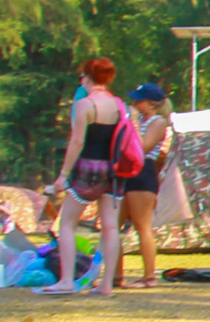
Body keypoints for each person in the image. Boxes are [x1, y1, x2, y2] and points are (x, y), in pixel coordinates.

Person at [45, 58, 127, 296]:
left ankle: (66, 280)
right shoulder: (119, 105)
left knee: (67, 224)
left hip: (88, 168)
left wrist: (63, 175)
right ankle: (106, 284)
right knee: (111, 227)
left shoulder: (85, 105)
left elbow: (78, 141)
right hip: (114, 169)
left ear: (88, 78)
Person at [116, 82, 175, 289]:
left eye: (139, 100)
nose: (134, 103)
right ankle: (115, 275)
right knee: (114, 226)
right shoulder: (139, 119)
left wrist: (132, 121)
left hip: (143, 172)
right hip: (125, 171)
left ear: (151, 104)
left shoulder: (158, 123)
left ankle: (149, 276)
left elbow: (142, 147)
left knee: (142, 226)